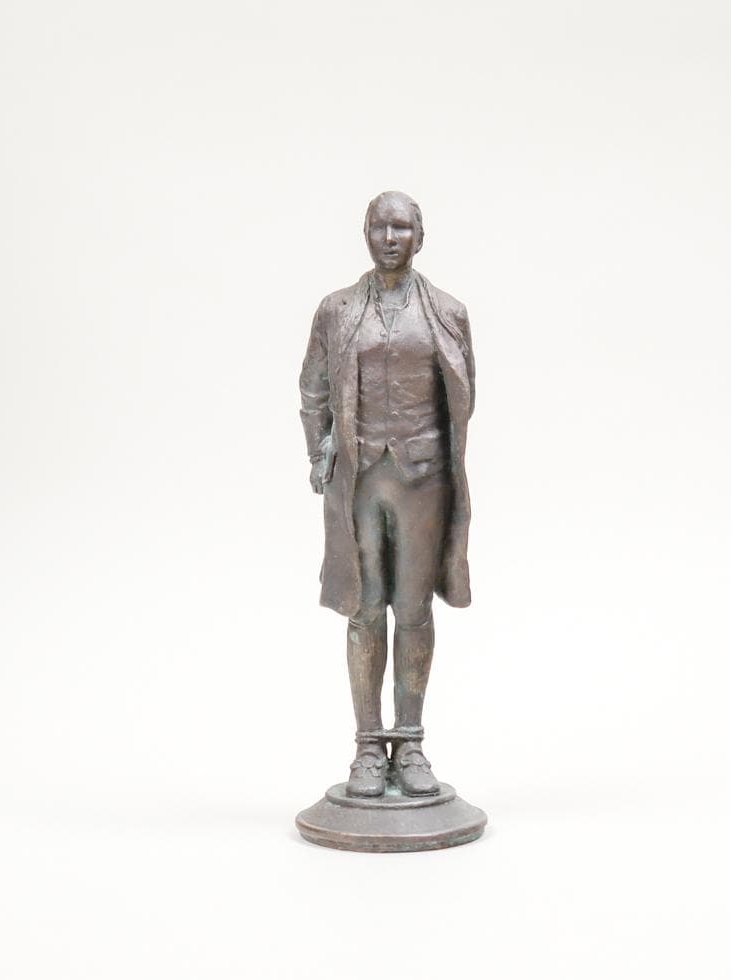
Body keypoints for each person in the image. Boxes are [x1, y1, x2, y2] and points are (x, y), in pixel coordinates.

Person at [299, 191, 476, 797]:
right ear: (366, 234)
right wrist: (318, 452)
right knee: (365, 606)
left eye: (402, 227)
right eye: (380, 226)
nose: (391, 237)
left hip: (423, 479)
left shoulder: (448, 312)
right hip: (359, 479)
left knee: (415, 608)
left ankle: (412, 741)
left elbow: (463, 399)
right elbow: (313, 388)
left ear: (420, 237)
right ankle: (369, 747)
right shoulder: (337, 309)